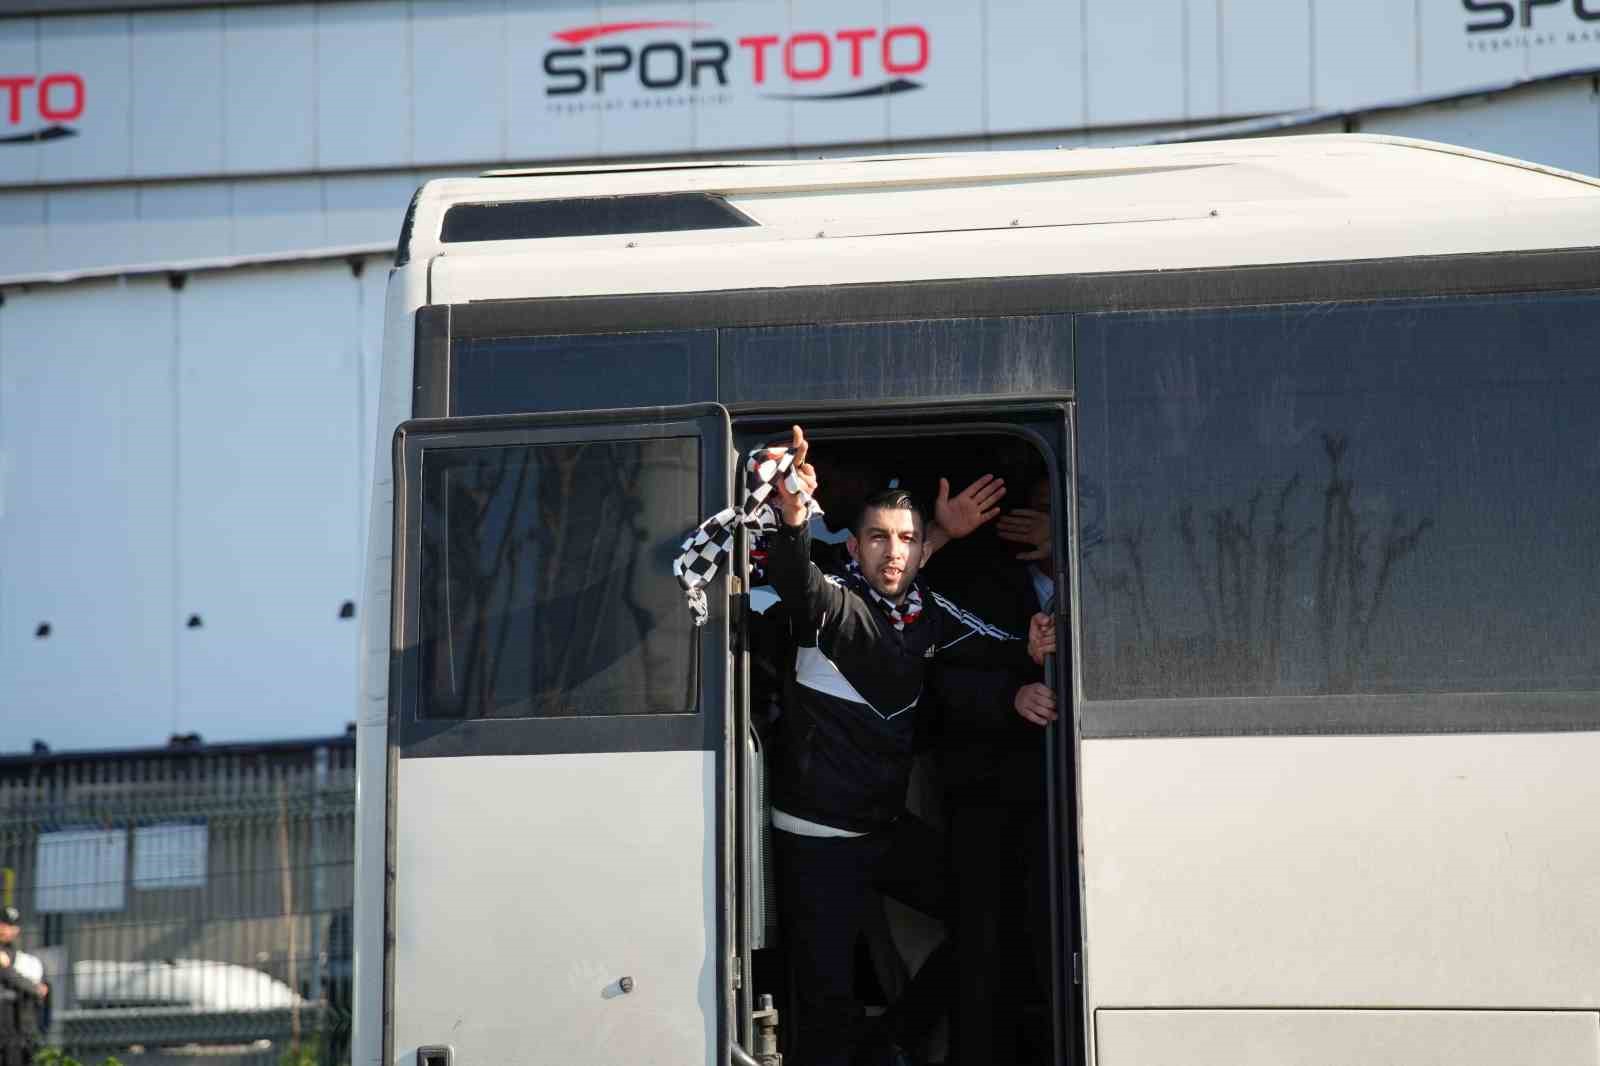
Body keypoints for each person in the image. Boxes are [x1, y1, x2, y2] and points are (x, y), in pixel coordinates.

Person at [763, 426, 1053, 1066]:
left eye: (906, 538)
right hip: (818, 837)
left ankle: (891, 1040)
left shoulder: (926, 608)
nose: (892, 552)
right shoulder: (833, 603)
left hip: (882, 826)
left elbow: (993, 644)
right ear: (854, 546)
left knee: (982, 922)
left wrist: (1029, 651)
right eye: (877, 538)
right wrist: (793, 516)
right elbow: (795, 578)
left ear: (922, 549)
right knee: (825, 1003)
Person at [923, 472, 1059, 1064]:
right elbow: (940, 676)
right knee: (980, 942)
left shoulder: (1106, 569)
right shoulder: (978, 577)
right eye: (1041, 504)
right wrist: (1010, 696)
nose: (1044, 517)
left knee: (1054, 939)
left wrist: (1066, 552)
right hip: (986, 789)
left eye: (1061, 508)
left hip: (1075, 794)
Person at [0, 907, 47, 1066]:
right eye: (3, 923)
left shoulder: (18, 955)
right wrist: (34, 988)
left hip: (18, 1028)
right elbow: (7, 975)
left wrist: (36, 988)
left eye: (11, 925)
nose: (6, 929)